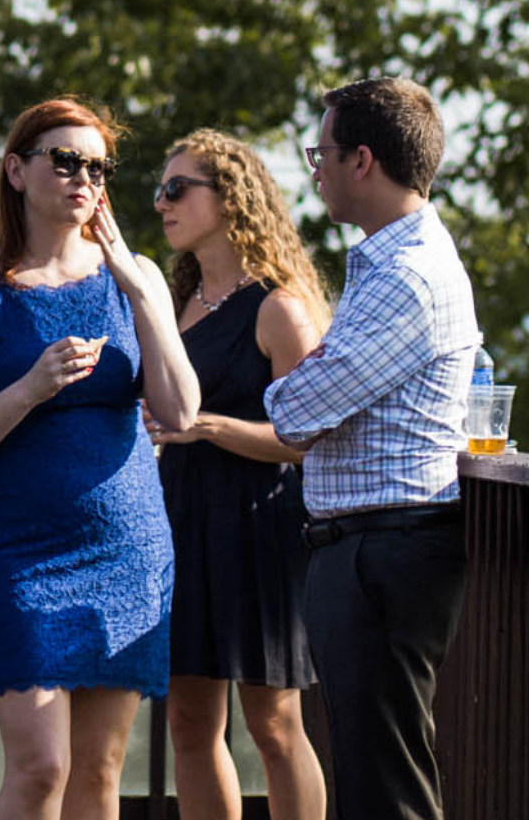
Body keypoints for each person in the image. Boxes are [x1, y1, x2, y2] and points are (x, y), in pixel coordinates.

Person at [0, 97, 199, 820]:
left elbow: (181, 411)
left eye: (97, 167)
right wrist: (29, 389)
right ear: (16, 170)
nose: (83, 178)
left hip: (127, 550)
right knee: (42, 767)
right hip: (19, 557)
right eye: (64, 160)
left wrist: (139, 290)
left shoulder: (135, 280)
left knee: (100, 772)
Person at [265, 78, 478, 820]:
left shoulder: (407, 276)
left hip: (385, 548)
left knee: (386, 788)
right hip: (369, 547)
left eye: (319, 152)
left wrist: (295, 385)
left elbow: (296, 411)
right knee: (372, 775)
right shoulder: (390, 262)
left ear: (361, 161)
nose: (312, 168)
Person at [148, 130, 329, 820]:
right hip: (181, 524)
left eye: (176, 189)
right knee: (189, 725)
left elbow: (308, 440)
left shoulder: (281, 307)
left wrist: (207, 426)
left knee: (275, 726)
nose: (161, 203)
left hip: (261, 529)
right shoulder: (178, 300)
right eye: (160, 190)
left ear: (230, 198)